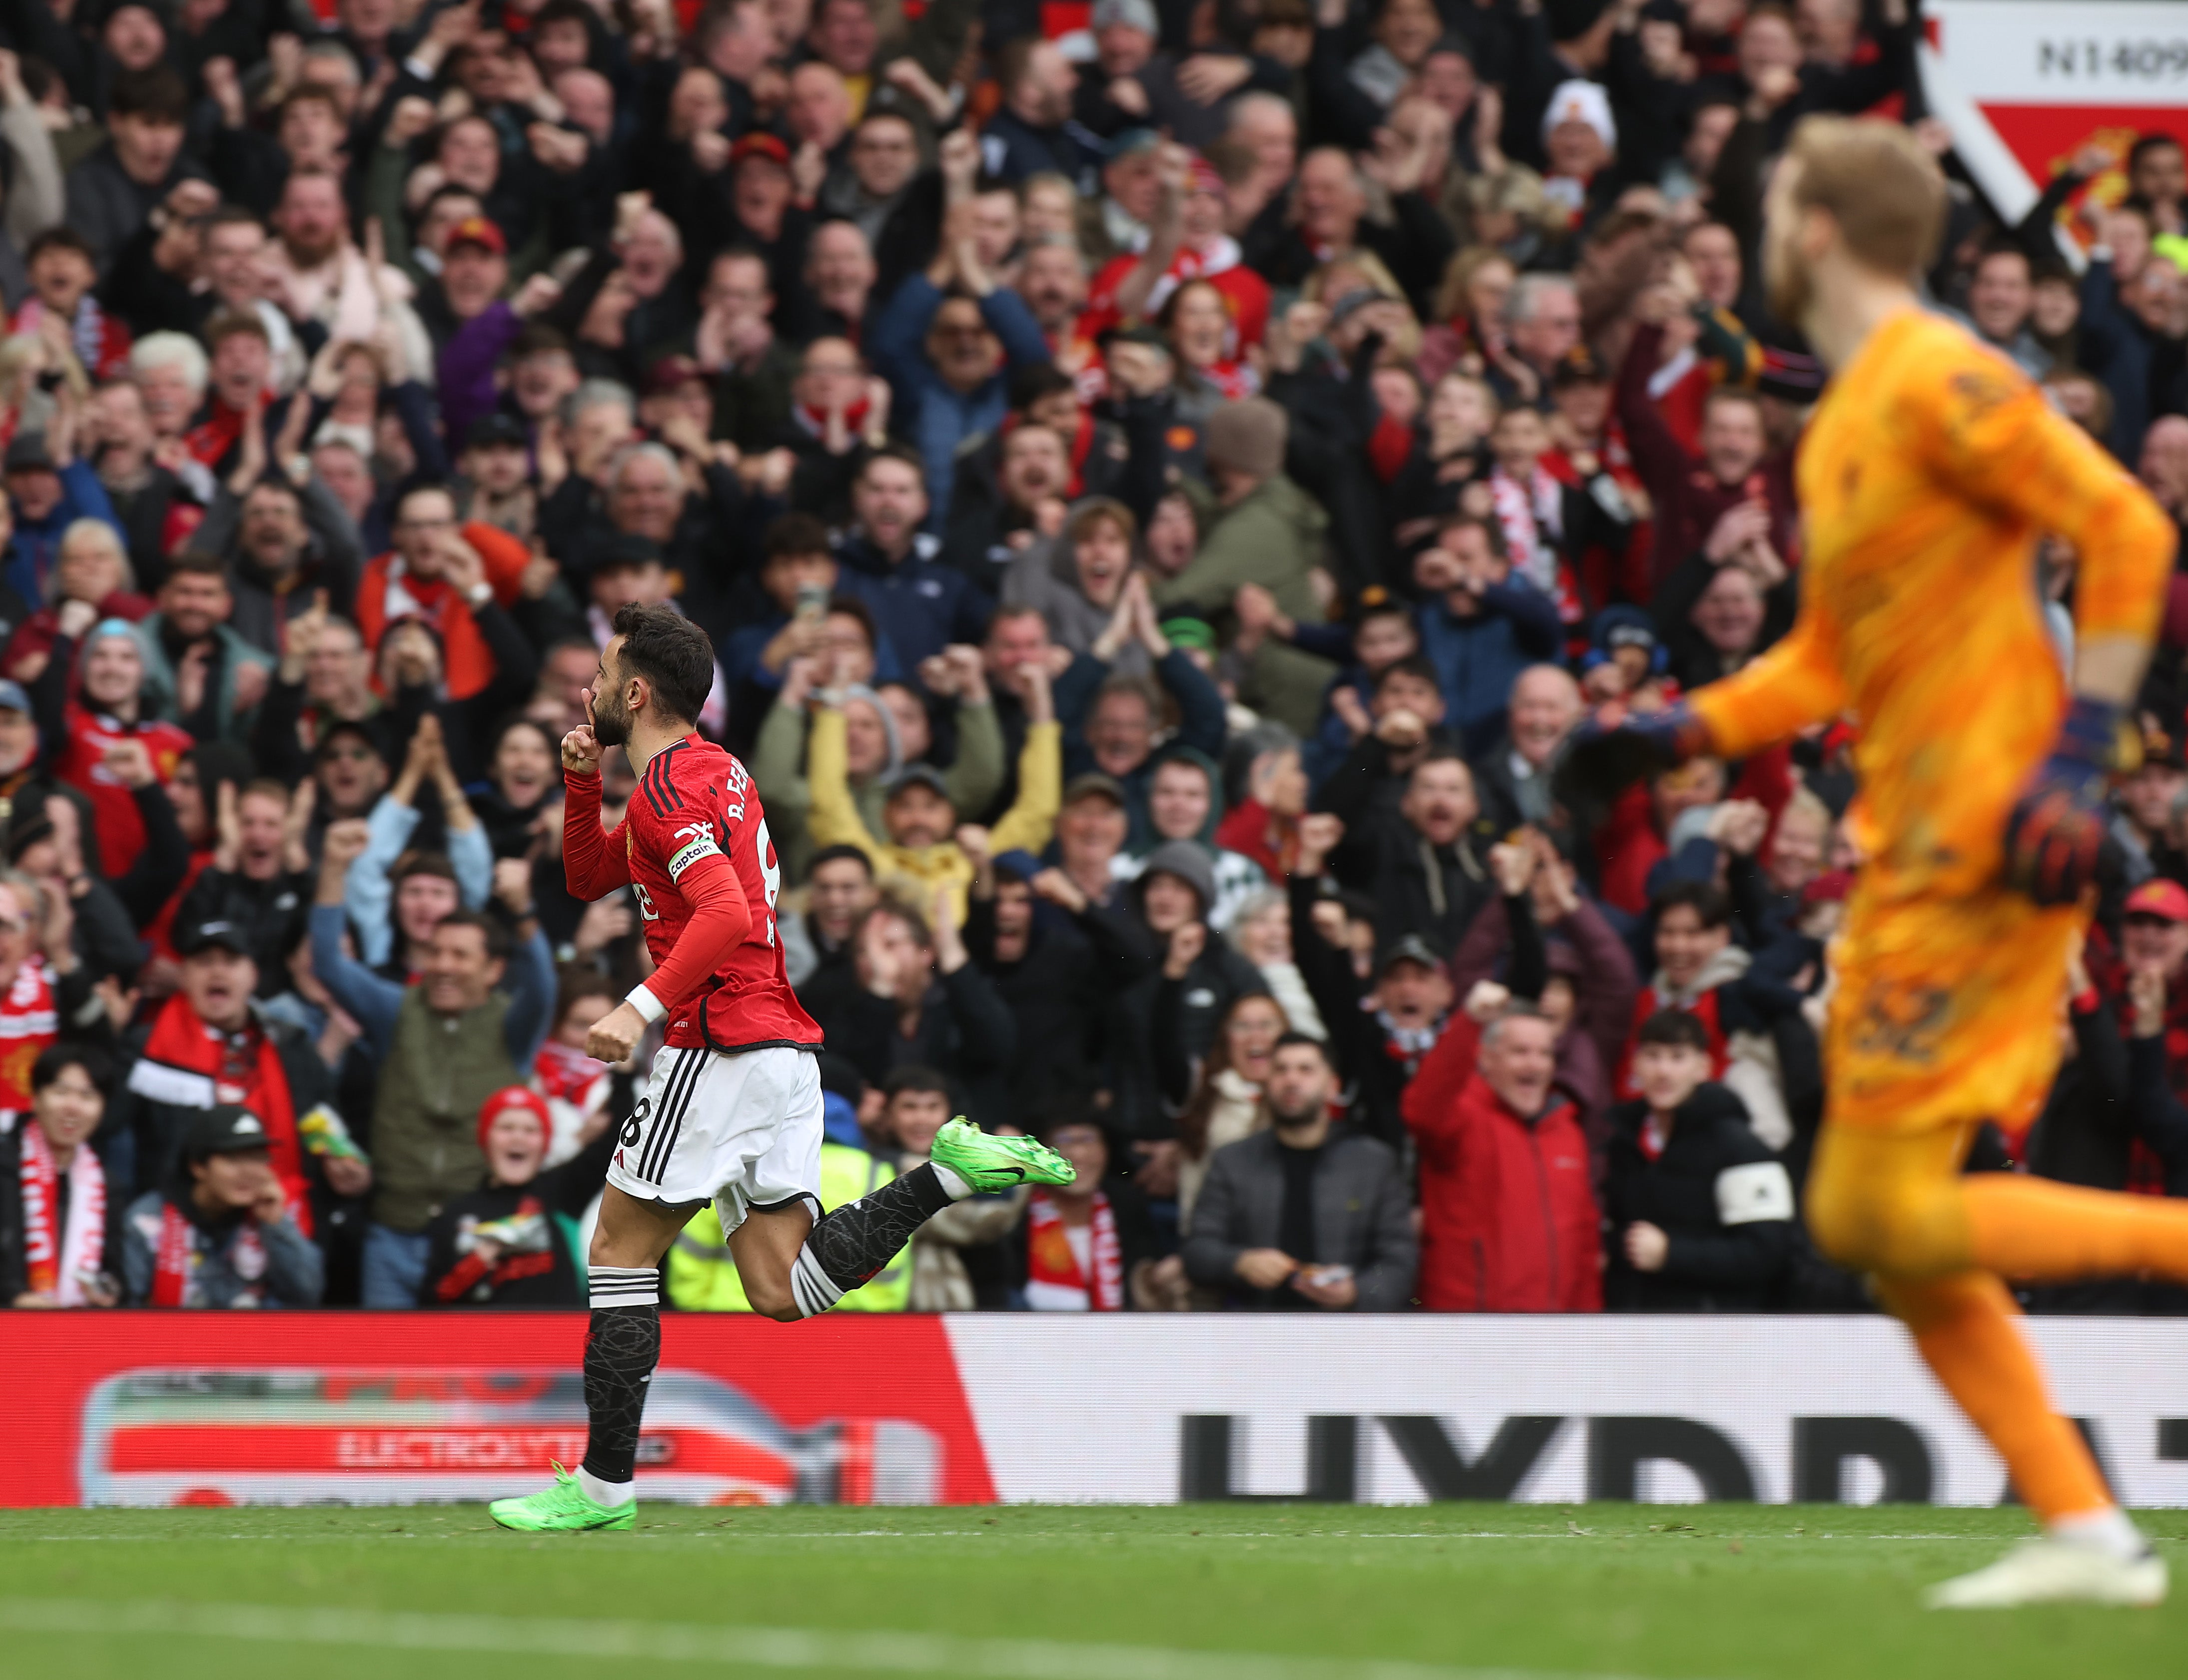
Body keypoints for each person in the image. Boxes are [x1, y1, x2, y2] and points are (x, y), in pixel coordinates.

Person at [1556, 118, 2187, 1607]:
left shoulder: (1938, 374)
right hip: (1900, 846)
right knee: (1878, 1220)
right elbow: (1824, 656)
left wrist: (2075, 754)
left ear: (1820, 229)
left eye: (1778, 206)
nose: (1765, 230)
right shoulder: (1842, 419)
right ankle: (2085, 1532)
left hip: (1988, 833)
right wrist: (1670, 728)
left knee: (1875, 1209)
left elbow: (2121, 529)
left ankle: (2085, 1521)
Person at [488, 603, 1073, 1534]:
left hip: (713, 1042)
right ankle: (947, 1173)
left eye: (603, 676)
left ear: (635, 693)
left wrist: (637, 1007)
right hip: (780, 1052)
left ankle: (600, 1490)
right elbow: (592, 874)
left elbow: (720, 912)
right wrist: (577, 780)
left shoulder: (668, 789)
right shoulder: (713, 772)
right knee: (779, 1288)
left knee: (617, 1249)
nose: (590, 691)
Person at [1182, 1033, 1416, 1310]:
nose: (1292, 1080)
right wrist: (1239, 1262)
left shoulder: (1373, 1164)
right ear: (1267, 1084)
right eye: (1281, 1070)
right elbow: (1197, 1250)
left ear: (1333, 1086)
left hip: (1349, 1335)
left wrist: (1358, 1292)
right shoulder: (1233, 1161)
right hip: (1255, 1332)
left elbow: (1398, 1263)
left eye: (1306, 1070)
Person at [1601, 1010, 1796, 1312]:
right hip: (1635, 1334)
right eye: (1653, 1056)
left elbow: (1767, 1252)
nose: (1663, 1071)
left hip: (1713, 1339)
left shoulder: (1741, 1148)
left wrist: (1672, 1253)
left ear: (1703, 1068)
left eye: (1678, 1057)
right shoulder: (1620, 1142)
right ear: (1635, 1064)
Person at [420, 1086, 618, 1307]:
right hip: (484, 1339)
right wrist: (475, 1265)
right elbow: (431, 1303)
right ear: (486, 1138)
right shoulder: (455, 1214)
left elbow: (619, 1139)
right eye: (506, 1128)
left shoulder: (562, 1192)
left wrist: (624, 1072)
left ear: (545, 1143)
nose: (518, 1138)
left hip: (558, 1336)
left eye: (531, 1130)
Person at [120, 1104, 325, 1308]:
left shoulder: (268, 1211)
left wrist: (276, 1224)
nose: (249, 1172)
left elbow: (308, 1295)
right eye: (233, 1159)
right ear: (198, 1167)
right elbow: (127, 1307)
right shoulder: (147, 1220)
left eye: (257, 1159)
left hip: (251, 1339)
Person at [0, 1044, 118, 1308]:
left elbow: (115, 1273)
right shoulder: (4, 1166)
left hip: (75, 1335)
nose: (72, 1108)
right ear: (35, 1099)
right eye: (60, 1092)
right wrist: (13, 1299)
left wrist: (108, 1291)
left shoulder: (107, 1185)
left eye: (88, 1097)